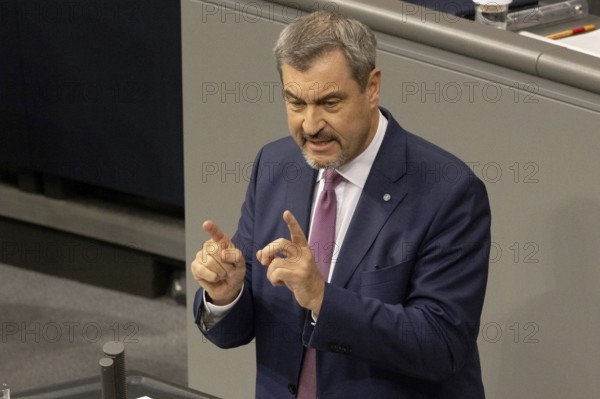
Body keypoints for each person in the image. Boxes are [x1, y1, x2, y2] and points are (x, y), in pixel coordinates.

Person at [191, 11, 491, 399]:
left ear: (372, 87)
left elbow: (441, 344)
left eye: (329, 102)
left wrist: (322, 298)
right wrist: (226, 294)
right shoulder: (276, 165)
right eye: (295, 102)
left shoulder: (448, 193)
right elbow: (241, 328)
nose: (310, 124)